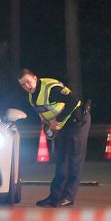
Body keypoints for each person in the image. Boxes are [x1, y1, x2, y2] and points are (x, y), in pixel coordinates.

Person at [17, 68, 91, 207]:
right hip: (63, 125)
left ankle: (68, 197)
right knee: (61, 160)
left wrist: (58, 120)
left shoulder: (50, 88)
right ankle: (55, 196)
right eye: (23, 84)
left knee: (73, 160)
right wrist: (48, 126)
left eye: (28, 82)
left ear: (35, 78)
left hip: (77, 120)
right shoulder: (32, 96)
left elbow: (74, 101)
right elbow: (44, 113)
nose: (26, 86)